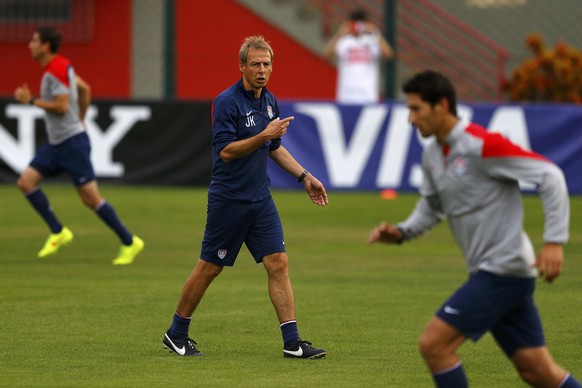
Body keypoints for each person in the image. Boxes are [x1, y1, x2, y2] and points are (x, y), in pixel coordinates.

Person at [367, 70, 581, 387]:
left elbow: (549, 175)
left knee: (434, 345)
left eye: (416, 109)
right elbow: (432, 206)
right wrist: (401, 233)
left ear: (441, 105)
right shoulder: (432, 154)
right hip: (498, 273)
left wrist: (554, 241)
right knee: (537, 370)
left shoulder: (482, 145)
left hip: (503, 270)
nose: (410, 119)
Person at [162, 35, 329, 359]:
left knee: (278, 262)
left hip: (260, 199)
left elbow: (274, 148)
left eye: (267, 64)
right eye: (255, 64)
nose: (262, 70)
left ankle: (292, 343)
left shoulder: (269, 101)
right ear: (241, 67)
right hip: (230, 200)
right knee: (210, 267)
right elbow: (225, 151)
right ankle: (176, 333)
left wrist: (305, 177)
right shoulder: (227, 101)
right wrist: (262, 135)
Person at [14, 26, 144, 265]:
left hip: (72, 144)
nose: (29, 45)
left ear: (45, 46)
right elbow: (85, 89)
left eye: (34, 41)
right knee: (26, 182)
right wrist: (82, 118)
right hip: (57, 144)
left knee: (91, 199)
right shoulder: (63, 66)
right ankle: (58, 231)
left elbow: (62, 106)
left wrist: (30, 100)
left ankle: (129, 241)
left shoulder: (55, 71)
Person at [324, 8, 393, 104]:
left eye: (361, 24)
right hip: (346, 95)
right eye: (355, 24)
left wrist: (375, 33)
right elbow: (327, 54)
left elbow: (388, 53)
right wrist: (339, 34)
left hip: (368, 95)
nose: (358, 27)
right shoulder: (344, 41)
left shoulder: (373, 40)